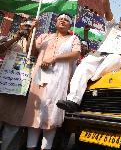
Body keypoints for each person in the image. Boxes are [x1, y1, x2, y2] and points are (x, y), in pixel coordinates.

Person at [56, 0, 121, 112]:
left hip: (117, 60)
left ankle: (92, 80)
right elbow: (107, 10)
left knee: (115, 58)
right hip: (99, 55)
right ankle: (73, 101)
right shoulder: (113, 26)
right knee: (84, 66)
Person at [21, 13, 81, 150]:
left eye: (66, 20)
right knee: (35, 115)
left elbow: (76, 54)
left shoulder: (73, 39)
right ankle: (30, 147)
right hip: (40, 79)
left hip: (58, 81)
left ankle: (46, 147)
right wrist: (32, 30)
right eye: (60, 19)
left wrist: (54, 58)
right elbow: (30, 49)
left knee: (52, 115)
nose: (63, 21)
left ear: (70, 25)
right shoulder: (45, 37)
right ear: (56, 22)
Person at [0, 20, 35, 150]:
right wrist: (17, 38)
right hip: (4, 89)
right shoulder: (8, 39)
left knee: (13, 127)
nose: (27, 28)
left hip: (20, 94)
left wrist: (31, 37)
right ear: (20, 26)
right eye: (25, 25)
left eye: (30, 27)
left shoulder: (35, 45)